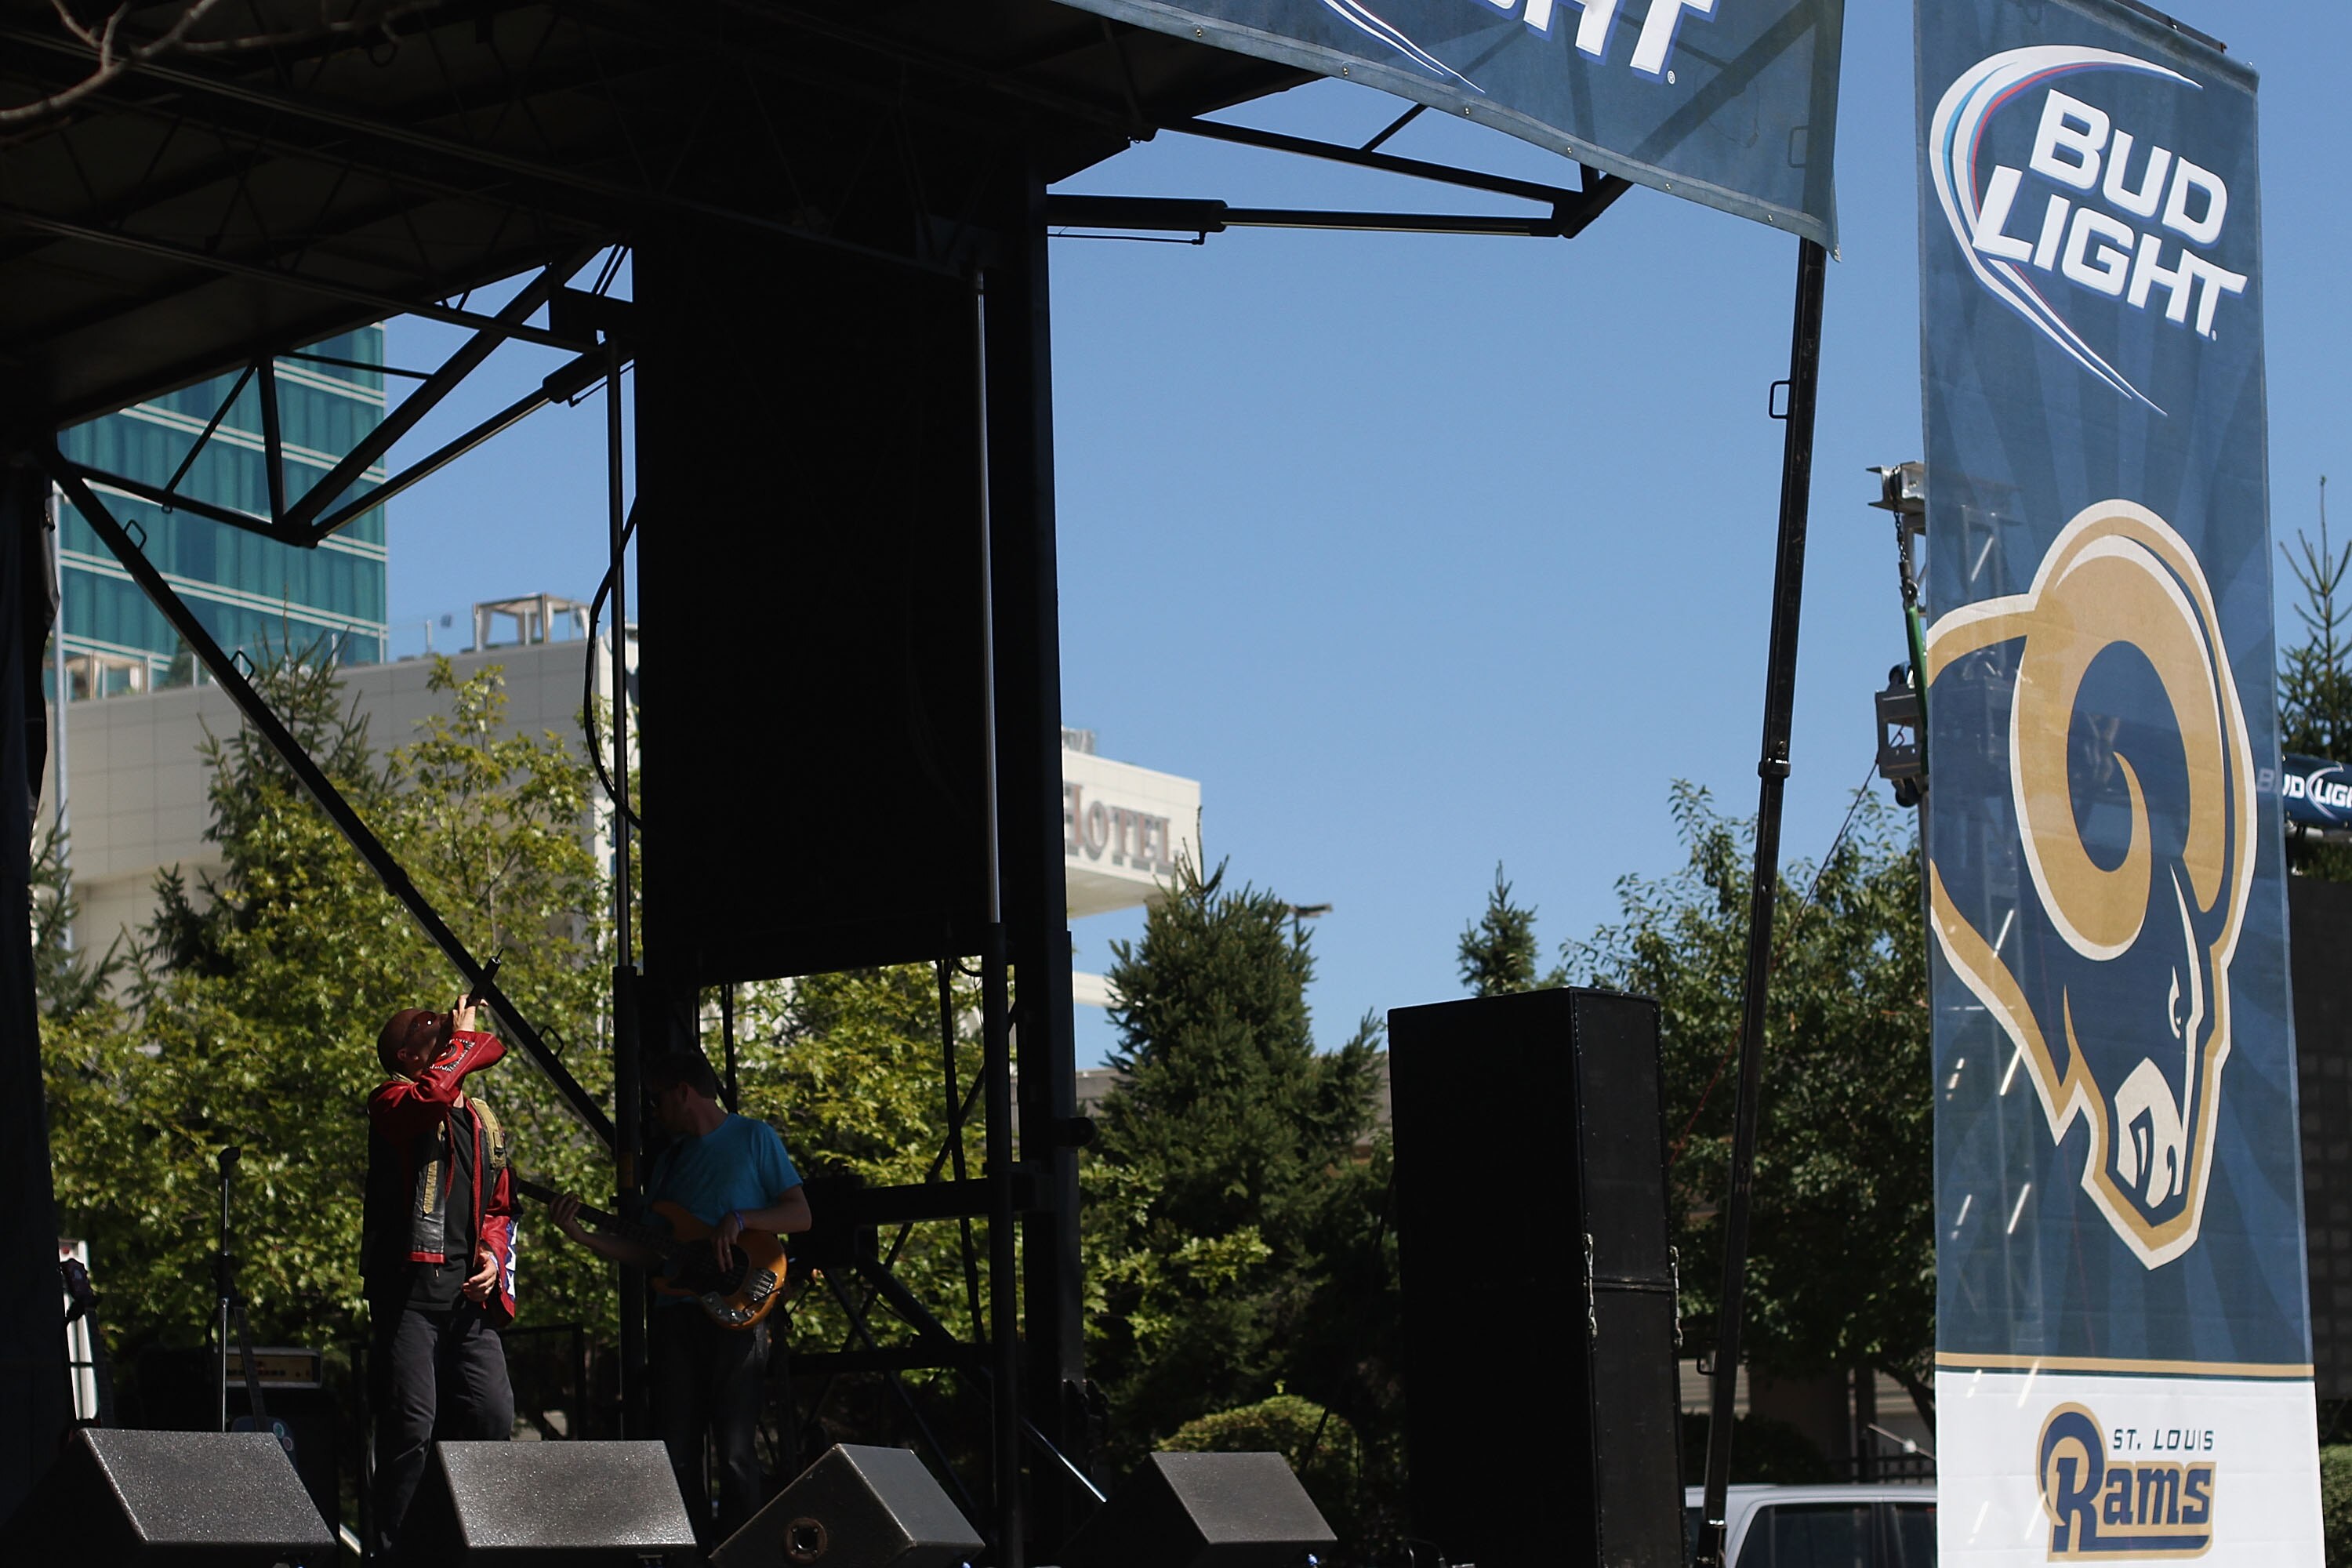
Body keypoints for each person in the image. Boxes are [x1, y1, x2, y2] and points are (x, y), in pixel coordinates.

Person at [550, 1051, 811, 1545]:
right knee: (677, 1451)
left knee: (736, 1450)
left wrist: (742, 1219)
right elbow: (651, 1253)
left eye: (657, 1100)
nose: (653, 1111)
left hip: (739, 1316)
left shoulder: (754, 1137)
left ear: (684, 1092)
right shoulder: (668, 1163)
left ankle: (744, 1556)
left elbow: (800, 1216)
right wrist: (585, 1237)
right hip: (676, 1321)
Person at [361, 1000, 517, 1562]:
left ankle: (460, 1545)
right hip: (409, 1298)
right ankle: (397, 1554)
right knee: (410, 1431)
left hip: (467, 1302)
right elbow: (429, 1098)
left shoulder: (478, 1119)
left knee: (492, 1415)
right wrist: (463, 1042)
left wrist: (495, 1260)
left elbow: (502, 1207)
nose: (455, 1041)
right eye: (440, 1038)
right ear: (407, 1056)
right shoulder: (391, 1100)